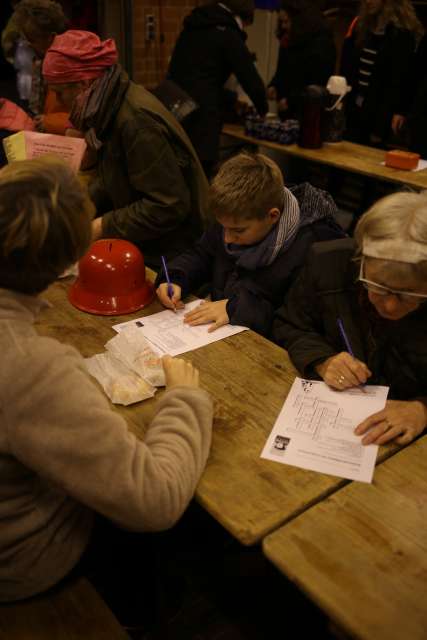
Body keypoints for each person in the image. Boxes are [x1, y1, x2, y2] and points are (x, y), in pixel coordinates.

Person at [0, 156, 213, 610]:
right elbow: (154, 499)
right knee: (173, 544)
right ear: (68, 260)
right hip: (23, 566)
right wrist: (187, 401)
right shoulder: (31, 367)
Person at [42, 30, 210, 267]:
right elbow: (117, 173)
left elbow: (168, 205)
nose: (57, 103)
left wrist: (101, 226)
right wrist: (77, 207)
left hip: (174, 253)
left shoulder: (135, 120)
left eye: (59, 93)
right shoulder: (108, 105)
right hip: (154, 241)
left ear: (84, 83)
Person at [274, 191, 427, 447]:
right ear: (362, 260)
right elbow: (290, 323)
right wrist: (322, 359)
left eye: (407, 294)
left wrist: (422, 410)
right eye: (377, 286)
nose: (389, 305)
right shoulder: (328, 264)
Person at [155, 152, 344, 338]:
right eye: (223, 228)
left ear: (272, 216)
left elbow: (294, 322)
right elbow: (202, 254)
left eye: (238, 231)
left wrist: (235, 308)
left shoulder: (311, 248)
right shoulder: (235, 215)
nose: (227, 238)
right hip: (222, 328)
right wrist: (175, 277)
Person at [167, 0, 268, 178]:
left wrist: (231, 100)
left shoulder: (194, 26)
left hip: (175, 110)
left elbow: (198, 77)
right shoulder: (228, 32)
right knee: (201, 178)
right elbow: (249, 77)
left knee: (179, 175)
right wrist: (263, 110)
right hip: (201, 122)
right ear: (241, 18)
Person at [340, 0, 423, 146]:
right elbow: (350, 68)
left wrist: (380, 125)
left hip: (380, 116)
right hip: (355, 110)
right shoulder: (362, 27)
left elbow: (398, 83)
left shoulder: (401, 34)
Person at [7, 0, 70, 134]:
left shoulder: (69, 65)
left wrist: (49, 122)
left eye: (32, 39)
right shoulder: (43, 60)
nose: (28, 45)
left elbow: (88, 118)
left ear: (51, 37)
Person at [267, 0, 336, 119]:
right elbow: (282, 71)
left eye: (286, 22)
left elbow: (316, 84)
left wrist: (291, 101)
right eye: (281, 22)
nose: (283, 26)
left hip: (307, 114)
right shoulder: (288, 39)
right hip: (286, 111)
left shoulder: (320, 43)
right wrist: (274, 85)